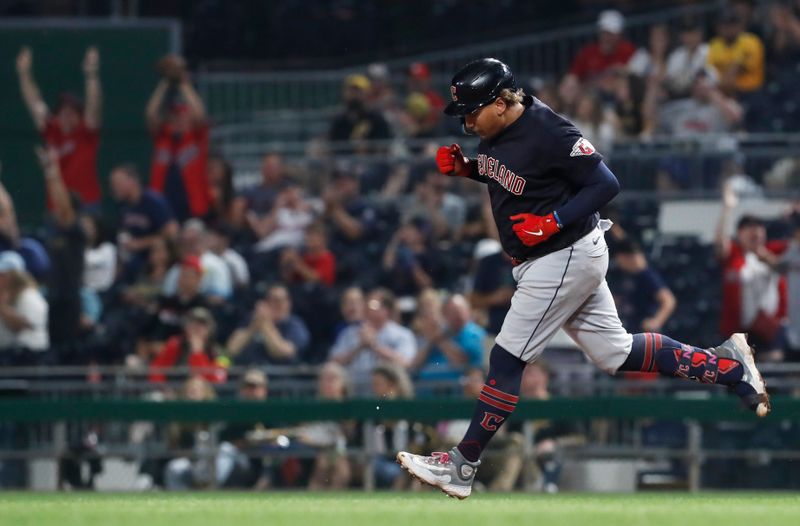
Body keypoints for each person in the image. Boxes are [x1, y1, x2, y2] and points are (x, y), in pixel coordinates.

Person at [397, 58, 770, 500]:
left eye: (473, 111)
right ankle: (729, 367)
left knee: (508, 358)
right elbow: (521, 178)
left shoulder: (549, 130)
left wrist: (553, 221)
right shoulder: (496, 131)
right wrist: (470, 169)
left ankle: (463, 463)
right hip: (554, 256)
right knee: (616, 351)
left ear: (501, 102)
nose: (467, 121)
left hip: (563, 253)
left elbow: (606, 183)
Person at [16, 47, 102, 206]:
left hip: (87, 204)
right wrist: (24, 74)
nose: (67, 115)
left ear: (79, 116)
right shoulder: (52, 129)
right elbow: (34, 102)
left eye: (72, 112)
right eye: (63, 111)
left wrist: (91, 74)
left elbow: (94, 106)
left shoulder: (86, 132)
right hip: (57, 205)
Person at [716, 181, 787, 351]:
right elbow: (720, 244)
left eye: (758, 227)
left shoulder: (774, 250)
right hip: (739, 331)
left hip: (769, 328)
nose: (754, 232)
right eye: (748, 227)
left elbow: (786, 263)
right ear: (739, 233)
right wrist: (727, 208)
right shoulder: (734, 255)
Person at [146, 54, 211, 222]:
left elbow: (199, 114)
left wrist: (183, 81)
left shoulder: (195, 136)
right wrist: (166, 81)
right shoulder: (163, 137)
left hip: (193, 204)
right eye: (174, 117)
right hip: (163, 204)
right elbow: (151, 114)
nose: (178, 119)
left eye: (182, 116)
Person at [330, 288, 417, 393]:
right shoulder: (349, 333)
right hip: (355, 394)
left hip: (389, 396)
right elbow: (334, 363)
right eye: (366, 303)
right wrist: (359, 347)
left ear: (386, 310)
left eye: (373, 305)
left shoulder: (402, 334)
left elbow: (405, 363)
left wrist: (375, 346)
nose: (367, 308)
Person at [111, 163, 179, 283]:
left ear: (132, 181)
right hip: (129, 258)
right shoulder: (123, 205)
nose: (114, 188)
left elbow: (172, 232)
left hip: (153, 259)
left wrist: (140, 243)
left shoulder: (153, 201)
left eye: (118, 183)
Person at [226, 284, 311, 366]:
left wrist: (266, 325)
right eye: (273, 300)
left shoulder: (295, 325)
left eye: (281, 300)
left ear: (288, 303)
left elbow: (282, 353)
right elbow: (232, 350)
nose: (278, 304)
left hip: (279, 376)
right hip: (246, 371)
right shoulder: (251, 320)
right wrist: (253, 327)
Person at [612, 239, 676, 333]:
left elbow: (668, 300)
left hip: (644, 332)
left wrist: (656, 321)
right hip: (629, 327)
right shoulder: (626, 275)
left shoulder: (647, 276)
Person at [0, 252, 48, 362]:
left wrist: (2, 307)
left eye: (2, 276)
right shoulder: (11, 296)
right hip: (11, 354)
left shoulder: (29, 297)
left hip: (30, 357)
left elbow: (21, 326)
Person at [707, 12, 765, 95]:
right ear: (718, 28)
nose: (729, 29)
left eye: (733, 25)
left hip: (751, 92)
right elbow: (711, 72)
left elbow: (738, 69)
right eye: (725, 25)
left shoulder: (751, 41)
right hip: (723, 92)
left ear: (740, 26)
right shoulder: (714, 45)